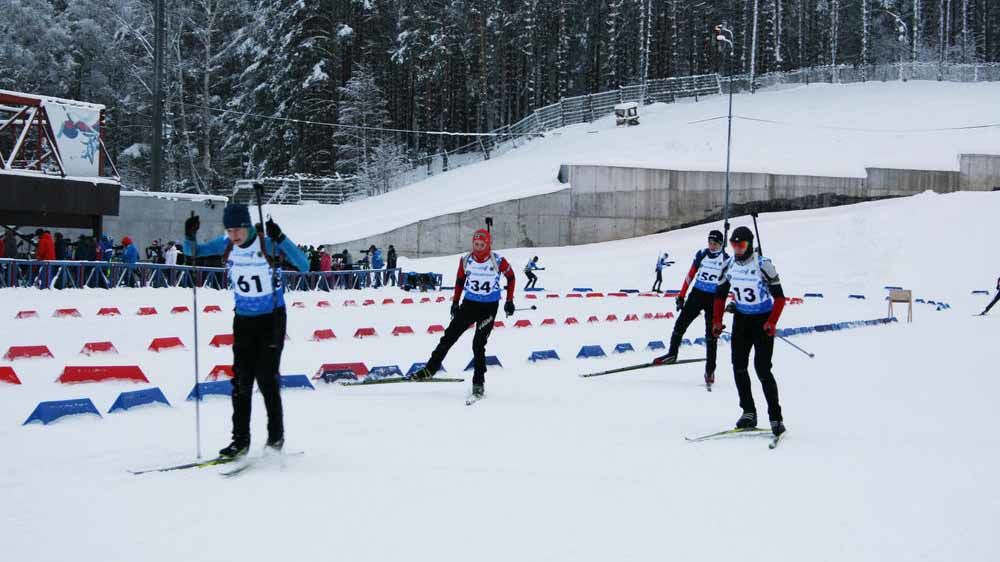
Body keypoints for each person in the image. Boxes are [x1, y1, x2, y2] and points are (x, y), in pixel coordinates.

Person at [184, 204, 309, 458]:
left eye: (238, 229)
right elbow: (193, 253)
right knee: (241, 382)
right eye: (229, 230)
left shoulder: (267, 243)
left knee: (266, 379)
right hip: (243, 320)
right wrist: (189, 235)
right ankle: (240, 441)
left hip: (272, 318)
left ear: (248, 225)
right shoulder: (226, 244)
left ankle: (275, 437)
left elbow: (304, 265)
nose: (234, 235)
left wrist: (281, 238)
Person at [411, 229, 516, 399]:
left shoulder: (498, 260)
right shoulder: (466, 260)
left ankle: (478, 382)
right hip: (469, 305)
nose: (478, 248)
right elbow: (460, 281)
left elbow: (511, 278)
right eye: (476, 244)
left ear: (488, 244)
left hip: (488, 308)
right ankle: (430, 368)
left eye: (482, 245)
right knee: (449, 337)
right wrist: (455, 302)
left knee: (478, 344)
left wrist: (509, 301)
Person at [710, 226, 786, 437]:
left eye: (741, 245)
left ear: (750, 244)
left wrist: (772, 321)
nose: (737, 249)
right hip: (742, 320)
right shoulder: (729, 264)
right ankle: (749, 412)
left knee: (762, 369)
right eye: (734, 245)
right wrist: (717, 320)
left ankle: (776, 416)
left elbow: (780, 298)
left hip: (762, 321)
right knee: (739, 366)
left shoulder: (763, 265)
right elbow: (719, 295)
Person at [653, 230, 727, 387]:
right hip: (697, 294)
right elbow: (690, 275)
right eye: (710, 243)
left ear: (721, 244)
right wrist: (681, 296)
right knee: (681, 324)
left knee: (711, 335)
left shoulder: (727, 259)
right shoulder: (702, 254)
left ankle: (710, 370)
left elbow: (730, 283)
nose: (712, 246)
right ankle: (672, 354)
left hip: (714, 298)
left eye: (715, 244)